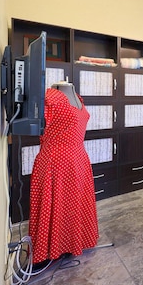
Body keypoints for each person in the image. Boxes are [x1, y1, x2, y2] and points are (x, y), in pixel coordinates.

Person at [29, 81, 98, 264]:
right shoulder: (51, 97)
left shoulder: (77, 97)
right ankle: (47, 251)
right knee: (56, 204)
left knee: (72, 205)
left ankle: (69, 244)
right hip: (56, 161)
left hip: (78, 159)